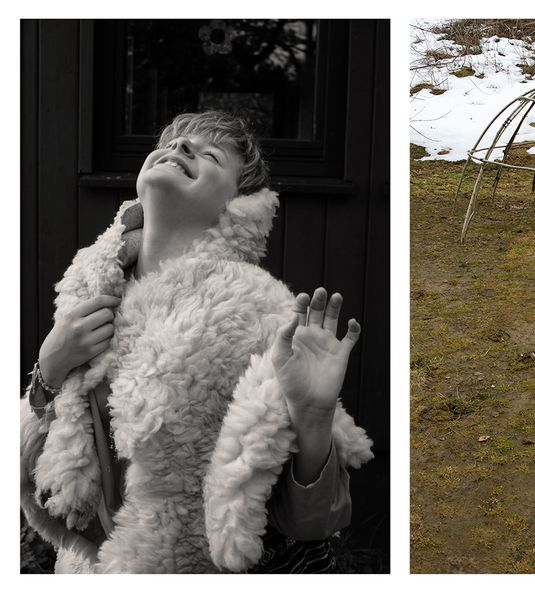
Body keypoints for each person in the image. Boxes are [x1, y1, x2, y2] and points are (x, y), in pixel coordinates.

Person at [20, 111, 373, 573]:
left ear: (240, 205)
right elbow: (36, 467)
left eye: (209, 155)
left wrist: (314, 417)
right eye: (172, 143)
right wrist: (49, 368)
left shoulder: (259, 311)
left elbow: (312, 520)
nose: (180, 149)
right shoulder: (87, 290)